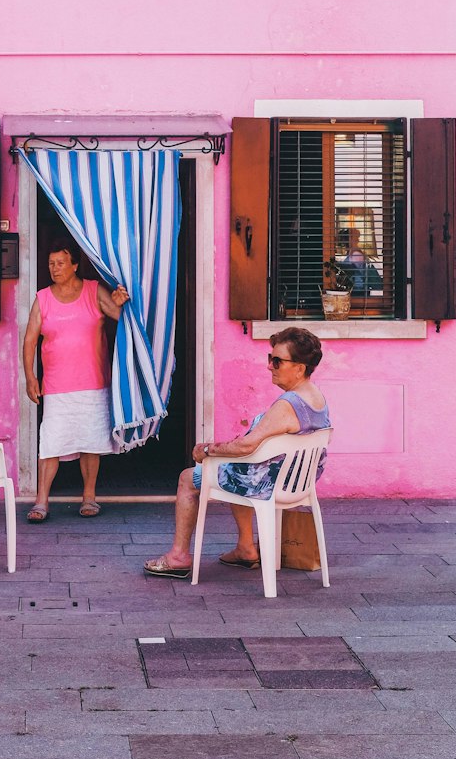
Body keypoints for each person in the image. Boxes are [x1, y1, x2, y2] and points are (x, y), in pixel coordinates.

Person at [142, 325, 330, 578]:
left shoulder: (288, 405)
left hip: (269, 483)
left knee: (189, 478)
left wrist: (207, 449)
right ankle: (245, 549)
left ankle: (178, 556)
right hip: (296, 482)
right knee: (235, 468)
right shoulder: (316, 398)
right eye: (269, 358)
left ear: (299, 368)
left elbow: (246, 446)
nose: (269, 366)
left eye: (277, 361)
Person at [22, 236, 129, 522]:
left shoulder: (93, 291)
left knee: (91, 442)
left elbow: (119, 315)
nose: (55, 268)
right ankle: (41, 501)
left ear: (74, 265)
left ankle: (89, 498)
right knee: (51, 443)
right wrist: (30, 377)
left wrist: (119, 300)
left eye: (60, 263)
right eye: (51, 264)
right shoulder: (43, 298)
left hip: (94, 382)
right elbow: (30, 340)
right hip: (56, 385)